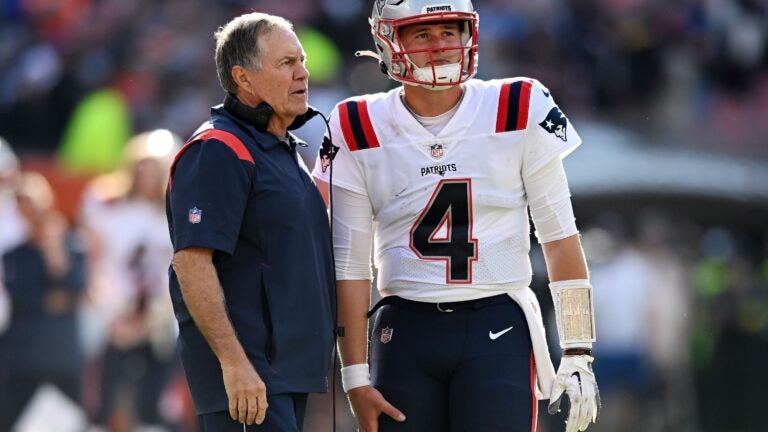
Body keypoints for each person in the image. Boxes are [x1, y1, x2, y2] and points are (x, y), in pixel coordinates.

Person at [312, 1, 600, 431]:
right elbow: (351, 266)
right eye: (423, 34)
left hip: (498, 323)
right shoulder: (356, 123)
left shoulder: (519, 104)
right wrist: (355, 375)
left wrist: (578, 350)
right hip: (403, 329)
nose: (440, 46)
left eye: (449, 32)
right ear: (389, 41)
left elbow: (559, 236)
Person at [166, 12, 336, 432]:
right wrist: (234, 363)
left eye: (302, 61)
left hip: (283, 377)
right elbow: (191, 263)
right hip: (249, 381)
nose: (303, 73)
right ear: (243, 78)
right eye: (286, 64)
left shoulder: (281, 151)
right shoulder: (218, 148)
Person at [80, 129, 180, 430]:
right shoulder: (105, 204)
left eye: (155, 167)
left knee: (154, 405)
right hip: (110, 314)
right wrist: (111, 314)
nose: (147, 174)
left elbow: (179, 269)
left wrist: (151, 318)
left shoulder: (173, 211)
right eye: (143, 165)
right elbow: (93, 262)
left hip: (158, 317)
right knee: (99, 401)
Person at [0, 171, 87, 430]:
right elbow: (24, 297)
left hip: (62, 357)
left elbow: (75, 287)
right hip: (21, 360)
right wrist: (53, 299)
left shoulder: (72, 247)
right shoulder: (13, 255)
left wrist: (54, 250)